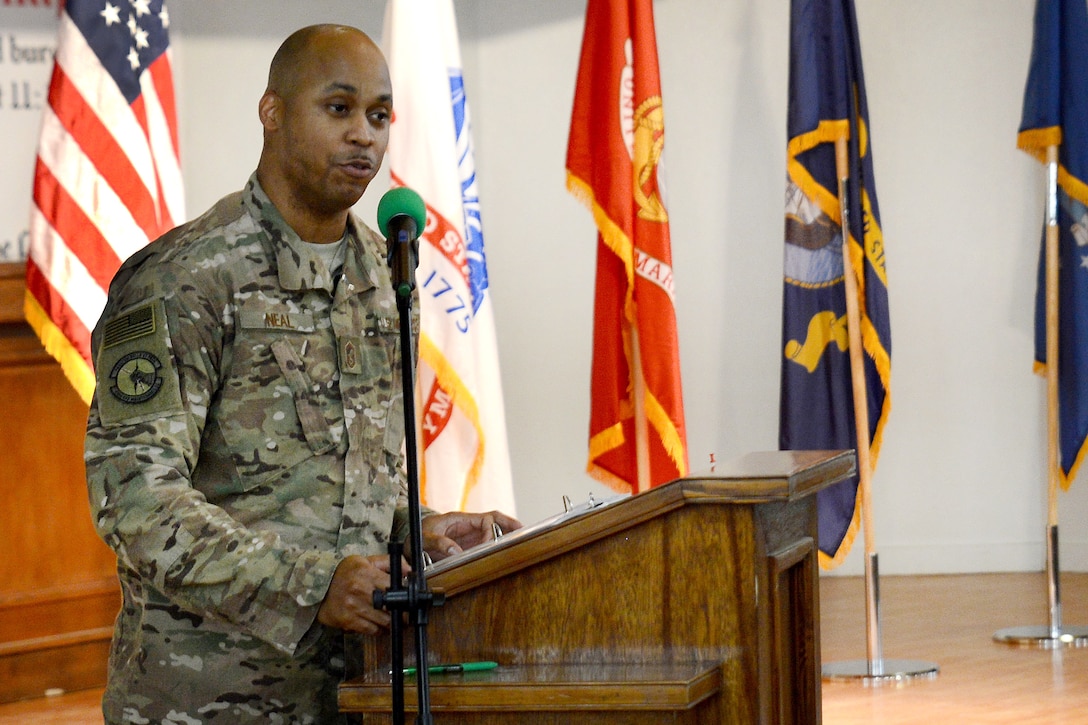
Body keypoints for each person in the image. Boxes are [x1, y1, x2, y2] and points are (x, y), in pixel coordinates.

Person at [84, 24, 520, 724]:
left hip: (360, 693)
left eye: (380, 116)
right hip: (206, 700)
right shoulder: (184, 278)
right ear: (273, 111)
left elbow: (359, 477)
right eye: (339, 108)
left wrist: (422, 529)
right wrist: (312, 585)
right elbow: (136, 500)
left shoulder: (387, 274)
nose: (364, 137)